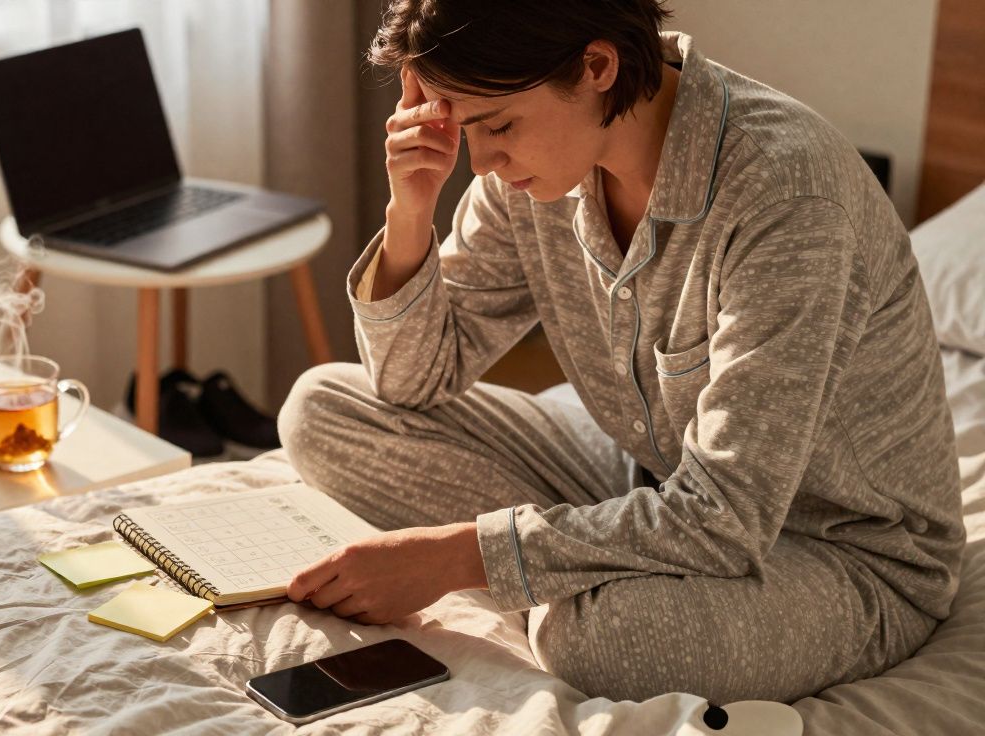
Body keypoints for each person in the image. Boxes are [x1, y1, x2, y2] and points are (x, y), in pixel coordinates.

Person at [277, 0, 965, 704]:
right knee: (322, 411)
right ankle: (598, 555)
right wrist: (411, 210)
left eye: (500, 126)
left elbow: (726, 516)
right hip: (656, 478)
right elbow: (409, 382)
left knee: (601, 639)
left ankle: (589, 565)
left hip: (837, 551)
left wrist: (460, 557)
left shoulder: (787, 197)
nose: (478, 161)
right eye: (463, 126)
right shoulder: (529, 173)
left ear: (597, 66)